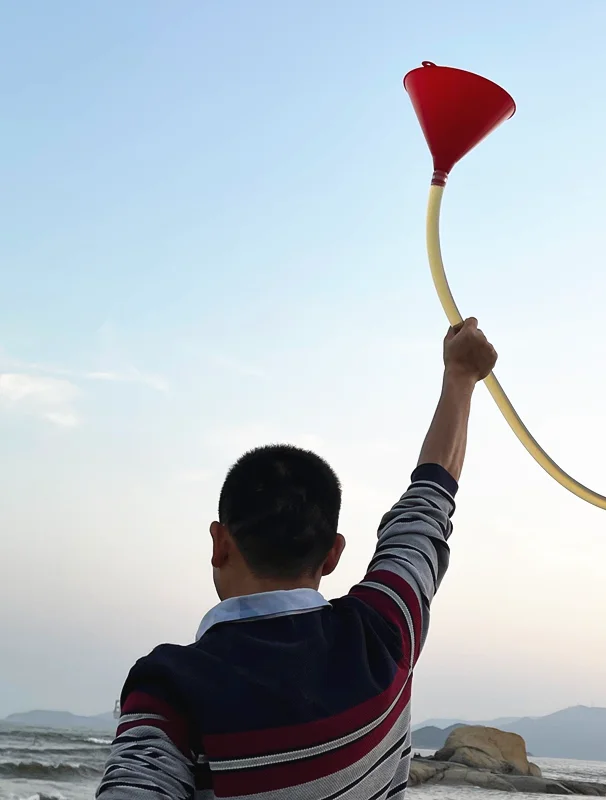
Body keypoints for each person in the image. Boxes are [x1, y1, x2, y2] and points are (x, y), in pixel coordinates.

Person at [96, 317, 497, 800]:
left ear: (219, 542)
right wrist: (460, 379)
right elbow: (427, 506)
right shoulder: (384, 633)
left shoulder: (169, 688)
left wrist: (459, 377)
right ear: (333, 555)